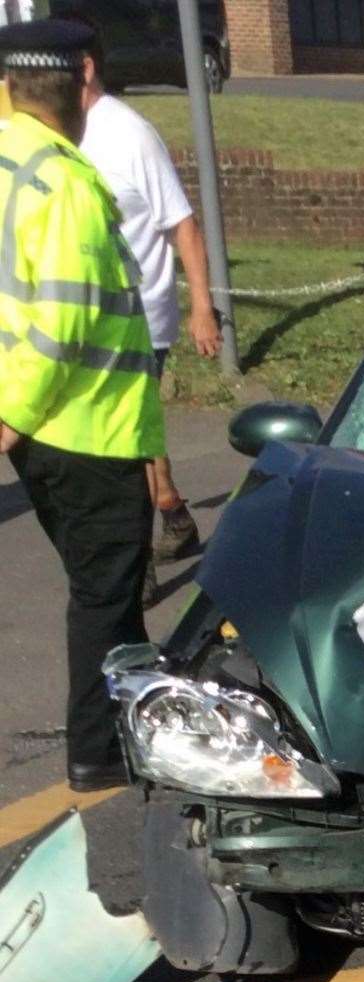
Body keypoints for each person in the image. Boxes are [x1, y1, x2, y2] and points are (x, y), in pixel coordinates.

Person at [0, 18, 165, 791]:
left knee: (106, 589)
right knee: (104, 595)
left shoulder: (7, 161)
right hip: (83, 425)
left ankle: (131, 720)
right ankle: (99, 750)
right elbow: (62, 318)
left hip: (48, 426)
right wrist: (14, 415)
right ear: (82, 85)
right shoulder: (64, 181)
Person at [77, 31, 221, 605]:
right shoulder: (55, 133)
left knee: (118, 443)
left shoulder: (128, 133)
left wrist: (202, 307)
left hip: (140, 319)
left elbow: (181, 223)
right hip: (88, 319)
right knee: (133, 436)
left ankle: (137, 571)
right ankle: (174, 514)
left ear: (84, 69)